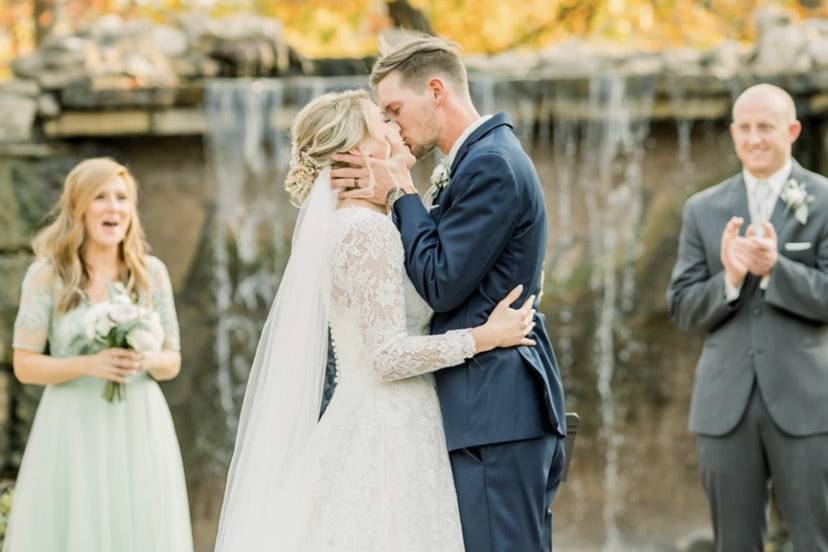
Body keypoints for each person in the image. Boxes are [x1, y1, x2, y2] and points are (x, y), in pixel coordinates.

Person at [214, 89, 538, 551]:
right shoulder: (365, 232)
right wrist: (483, 338)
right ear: (358, 152)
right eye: (382, 122)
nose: (395, 126)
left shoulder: (366, 224)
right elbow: (386, 355)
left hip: (387, 416)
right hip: (388, 427)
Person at [331, 35, 567, 552]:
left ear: (436, 90)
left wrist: (400, 194)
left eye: (395, 109)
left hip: (494, 412)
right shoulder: (475, 160)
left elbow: (441, 281)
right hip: (485, 409)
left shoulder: (490, 164)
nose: (391, 127)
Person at [668, 83, 828, 550]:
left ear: (793, 130)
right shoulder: (702, 209)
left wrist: (778, 269)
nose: (755, 138)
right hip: (724, 407)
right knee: (734, 543)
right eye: (746, 128)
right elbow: (682, 306)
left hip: (807, 403)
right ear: (733, 132)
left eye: (767, 127)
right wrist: (732, 278)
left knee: (816, 540)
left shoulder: (824, 200)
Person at [5, 158, 193, 551]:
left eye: (122, 198)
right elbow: (25, 364)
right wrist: (89, 364)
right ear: (79, 208)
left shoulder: (150, 273)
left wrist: (144, 360)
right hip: (71, 427)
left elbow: (171, 359)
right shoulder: (48, 275)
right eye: (101, 198)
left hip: (140, 425)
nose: (115, 208)